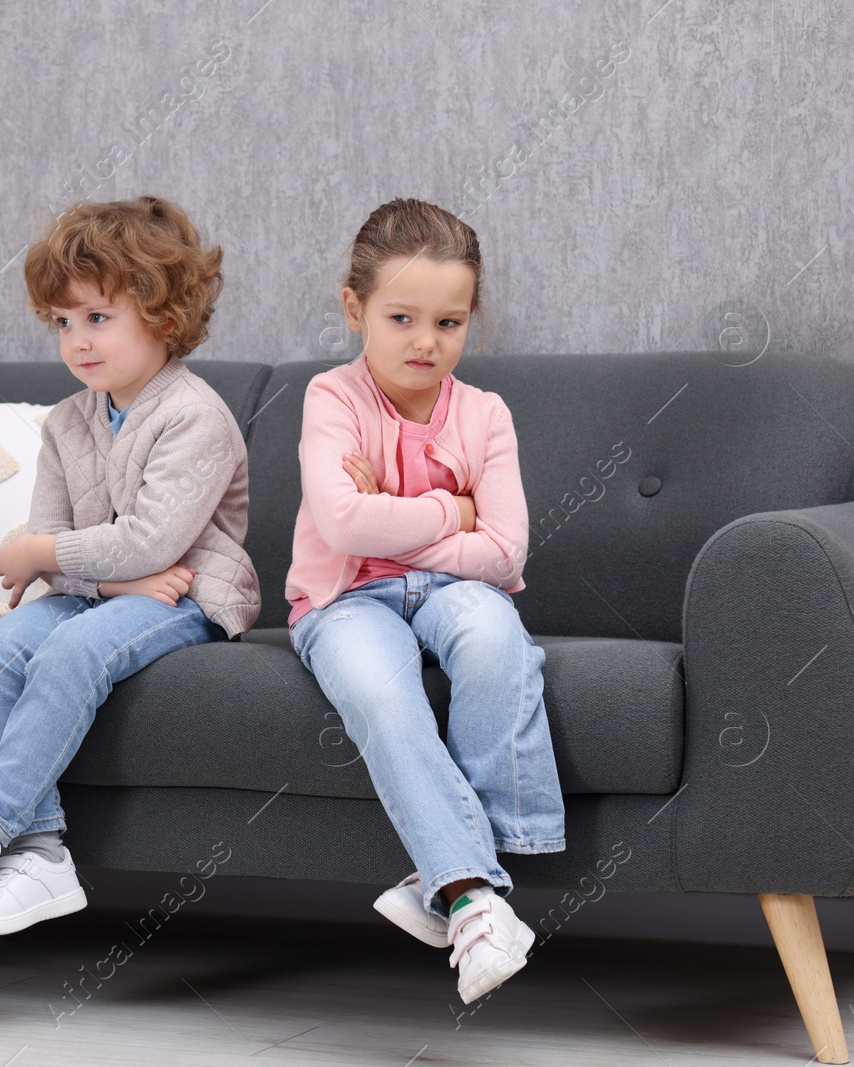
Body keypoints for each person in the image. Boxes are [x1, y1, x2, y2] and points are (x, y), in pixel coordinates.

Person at [0, 195, 261, 937]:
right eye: (63, 322)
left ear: (164, 316)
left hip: (190, 594)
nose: (77, 339)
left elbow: (138, 545)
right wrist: (110, 578)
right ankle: (41, 857)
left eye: (97, 317)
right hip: (124, 588)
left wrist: (61, 559)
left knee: (73, 649)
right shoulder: (67, 420)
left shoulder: (195, 416)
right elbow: (70, 546)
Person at [286, 197, 565, 1003]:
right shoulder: (332, 400)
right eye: (402, 317)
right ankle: (474, 898)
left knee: (492, 635)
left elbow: (506, 550)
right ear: (355, 309)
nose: (425, 341)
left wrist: (389, 524)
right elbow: (339, 523)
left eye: (449, 322)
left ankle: (444, 879)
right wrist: (453, 509)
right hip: (344, 599)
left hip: (458, 590)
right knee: (379, 689)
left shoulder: (484, 415)